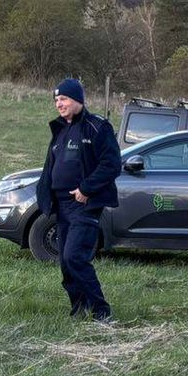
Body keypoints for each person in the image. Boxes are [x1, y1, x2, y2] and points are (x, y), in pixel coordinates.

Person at [35, 77, 121, 322]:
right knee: (65, 263)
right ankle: (79, 308)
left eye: (63, 99)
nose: (58, 104)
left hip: (84, 204)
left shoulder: (96, 127)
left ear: (78, 100)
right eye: (56, 100)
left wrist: (86, 188)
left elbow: (111, 164)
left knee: (75, 257)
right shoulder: (60, 130)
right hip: (61, 206)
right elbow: (50, 168)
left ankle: (102, 312)